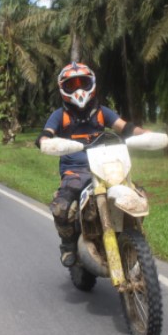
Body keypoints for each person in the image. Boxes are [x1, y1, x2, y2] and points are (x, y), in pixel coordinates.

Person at [36, 62, 151, 267]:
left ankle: (133, 237)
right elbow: (47, 134)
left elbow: (125, 128)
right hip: (75, 172)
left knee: (138, 195)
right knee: (61, 209)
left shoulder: (101, 112)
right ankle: (68, 245)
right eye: (72, 85)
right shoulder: (59, 116)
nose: (79, 89)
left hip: (107, 167)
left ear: (93, 84)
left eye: (83, 83)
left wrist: (145, 134)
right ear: (63, 88)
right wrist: (45, 141)